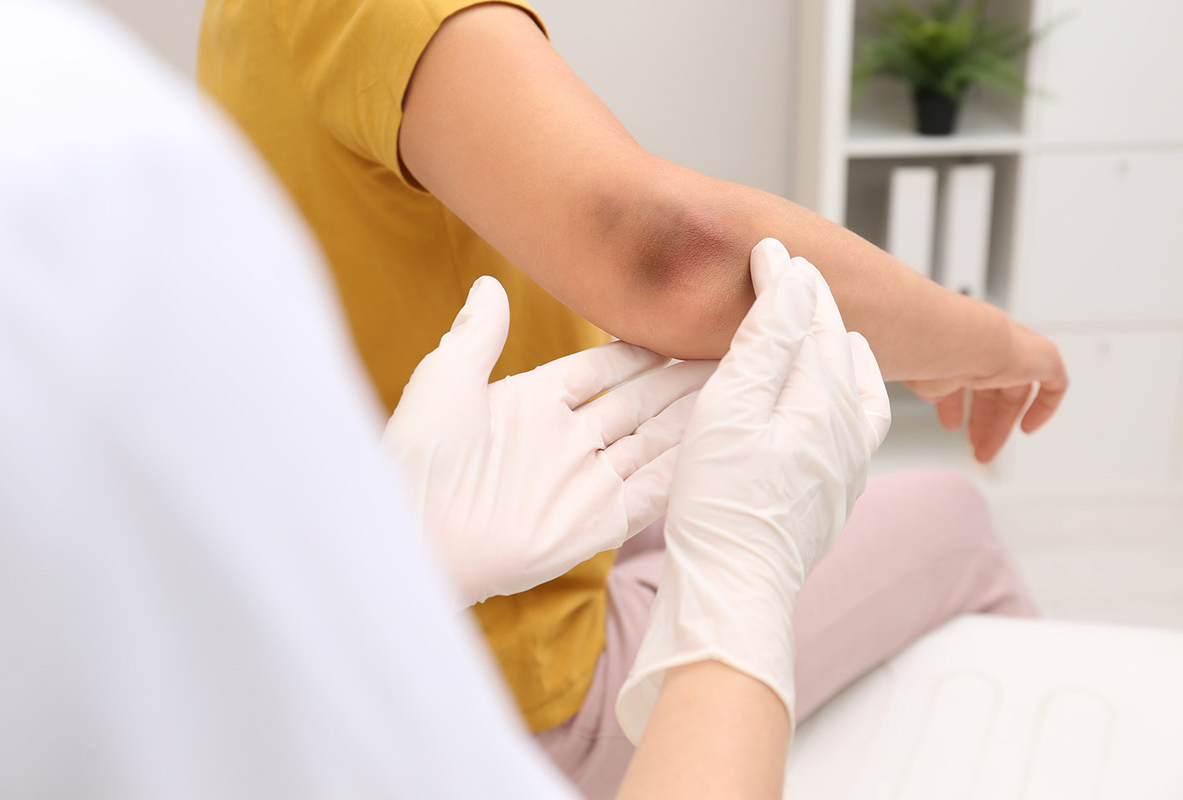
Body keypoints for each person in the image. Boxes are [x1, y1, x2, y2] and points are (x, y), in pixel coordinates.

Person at [0, 3, 883, 797]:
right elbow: (678, 252)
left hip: (440, 612)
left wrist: (388, 555)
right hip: (534, 684)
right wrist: (739, 606)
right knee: (947, 520)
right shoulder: (72, 155)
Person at [197, 2, 1049, 793]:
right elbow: (677, 255)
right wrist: (985, 345)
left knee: (693, 498)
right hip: (516, 691)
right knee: (959, 524)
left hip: (408, 569)